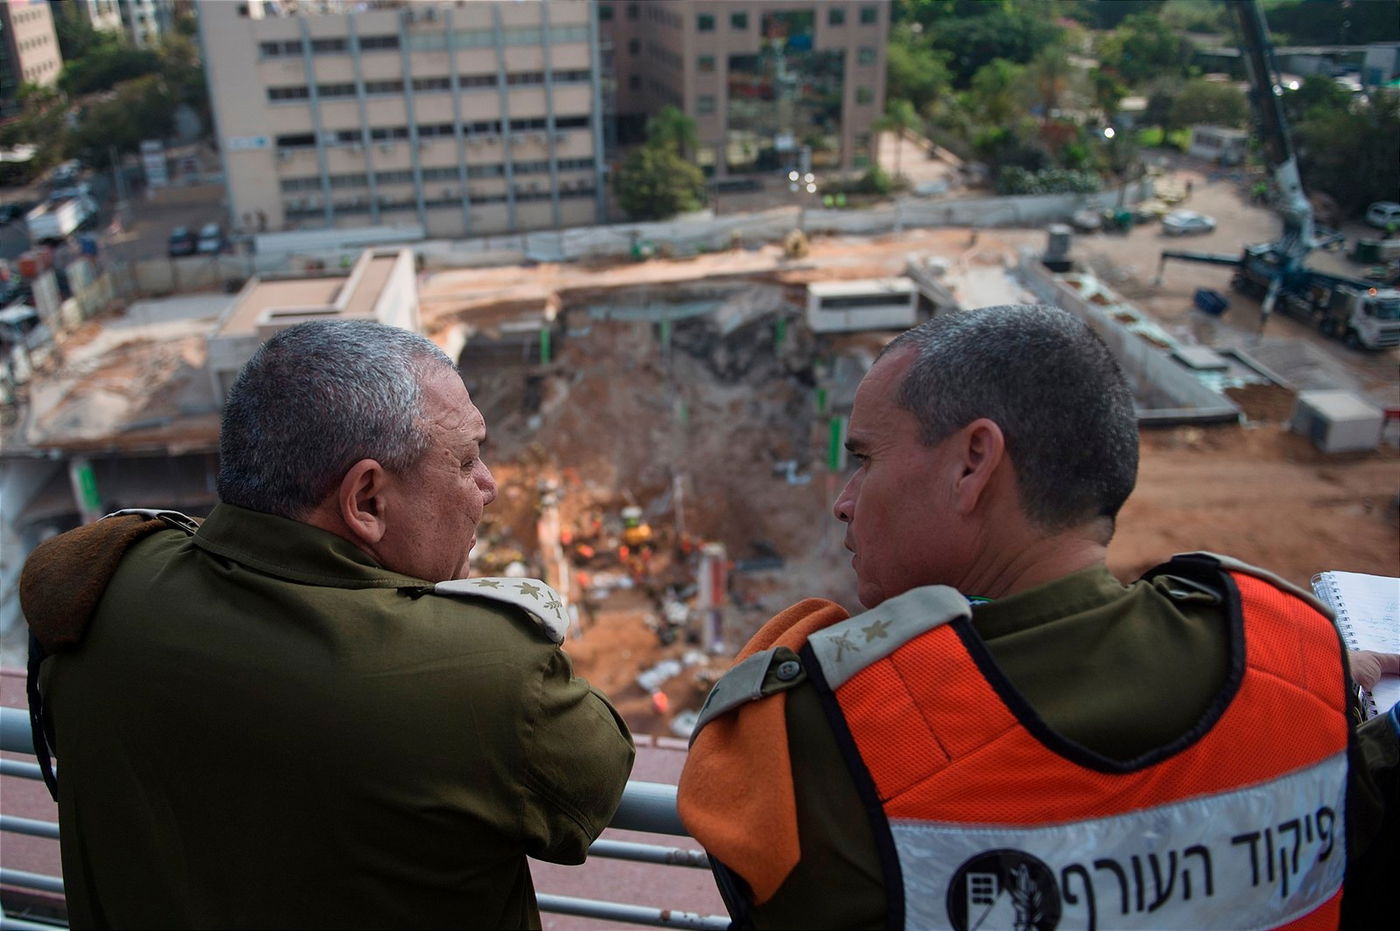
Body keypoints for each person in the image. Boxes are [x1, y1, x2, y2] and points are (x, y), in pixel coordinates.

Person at [677, 304, 1396, 930]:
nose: (845, 501)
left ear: (973, 463)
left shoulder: (832, 730)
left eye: (865, 458)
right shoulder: (1297, 664)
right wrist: (1314, 672)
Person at [21, 319, 635, 929]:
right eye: (467, 460)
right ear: (367, 500)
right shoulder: (486, 674)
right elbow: (597, 777)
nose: (489, 487)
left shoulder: (98, 586)